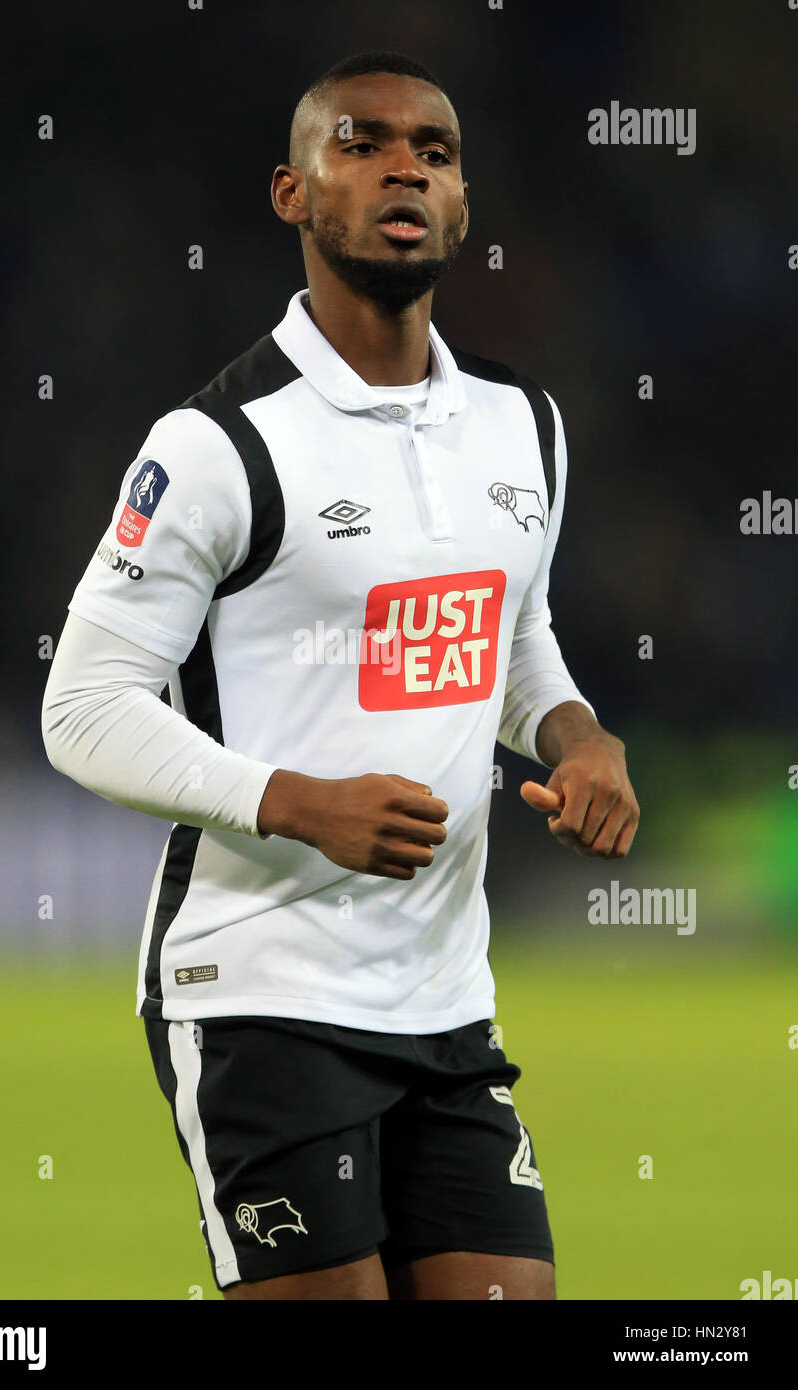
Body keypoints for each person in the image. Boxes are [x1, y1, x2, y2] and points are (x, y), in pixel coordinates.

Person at [41, 49, 639, 1301]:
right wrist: (295, 800)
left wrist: (581, 736)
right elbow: (83, 707)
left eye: (435, 148)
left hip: (446, 1000)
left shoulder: (523, 425)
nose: (404, 165)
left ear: (464, 203)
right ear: (293, 194)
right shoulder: (216, 445)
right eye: (360, 144)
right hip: (261, 989)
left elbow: (516, 632)